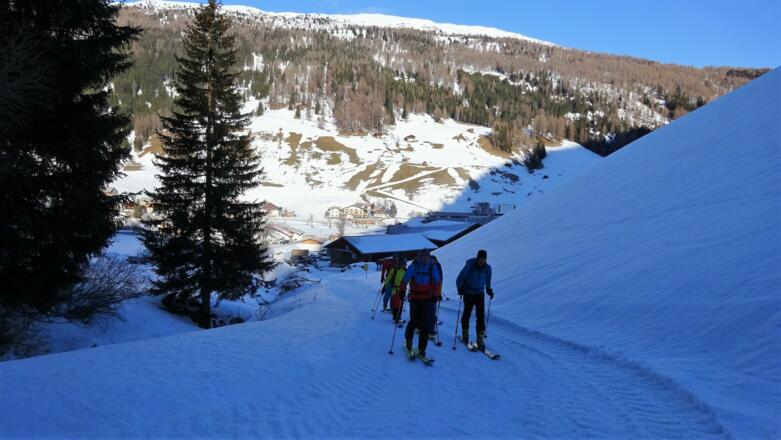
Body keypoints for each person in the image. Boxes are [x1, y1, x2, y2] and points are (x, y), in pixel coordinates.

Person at [400, 250, 442, 358]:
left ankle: (422, 349)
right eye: (423, 257)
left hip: (427, 298)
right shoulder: (413, 267)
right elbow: (404, 280)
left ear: (429, 258)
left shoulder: (432, 267)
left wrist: (436, 295)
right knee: (414, 321)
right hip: (414, 297)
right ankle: (409, 341)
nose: (425, 259)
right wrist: (401, 291)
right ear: (419, 257)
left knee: (424, 324)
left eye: (427, 257)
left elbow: (437, 282)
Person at [456, 249, 493, 350]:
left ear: (485, 259)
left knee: (480, 315)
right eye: (480, 258)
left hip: (480, 293)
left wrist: (489, 289)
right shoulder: (470, 266)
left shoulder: (488, 268)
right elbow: (460, 277)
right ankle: (465, 333)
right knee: (467, 312)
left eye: (483, 259)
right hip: (468, 292)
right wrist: (460, 288)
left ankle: (480, 338)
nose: (481, 261)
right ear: (477, 258)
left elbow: (488, 280)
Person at [426, 255, 444, 340]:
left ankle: (430, 330)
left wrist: (438, 294)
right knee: (426, 312)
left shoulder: (437, 267)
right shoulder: (425, 267)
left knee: (432, 312)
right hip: (425, 294)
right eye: (431, 260)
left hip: (433, 294)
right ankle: (423, 328)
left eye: (433, 260)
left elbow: (439, 281)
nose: (432, 262)